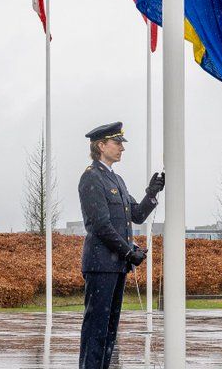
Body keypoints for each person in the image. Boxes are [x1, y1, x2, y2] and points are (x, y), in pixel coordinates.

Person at [78, 122, 165, 369]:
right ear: (101, 145)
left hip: (116, 266)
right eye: (117, 143)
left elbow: (136, 215)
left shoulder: (117, 179)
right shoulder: (91, 177)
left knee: (109, 330)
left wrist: (151, 193)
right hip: (101, 265)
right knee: (96, 328)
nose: (121, 149)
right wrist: (128, 251)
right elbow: (101, 226)